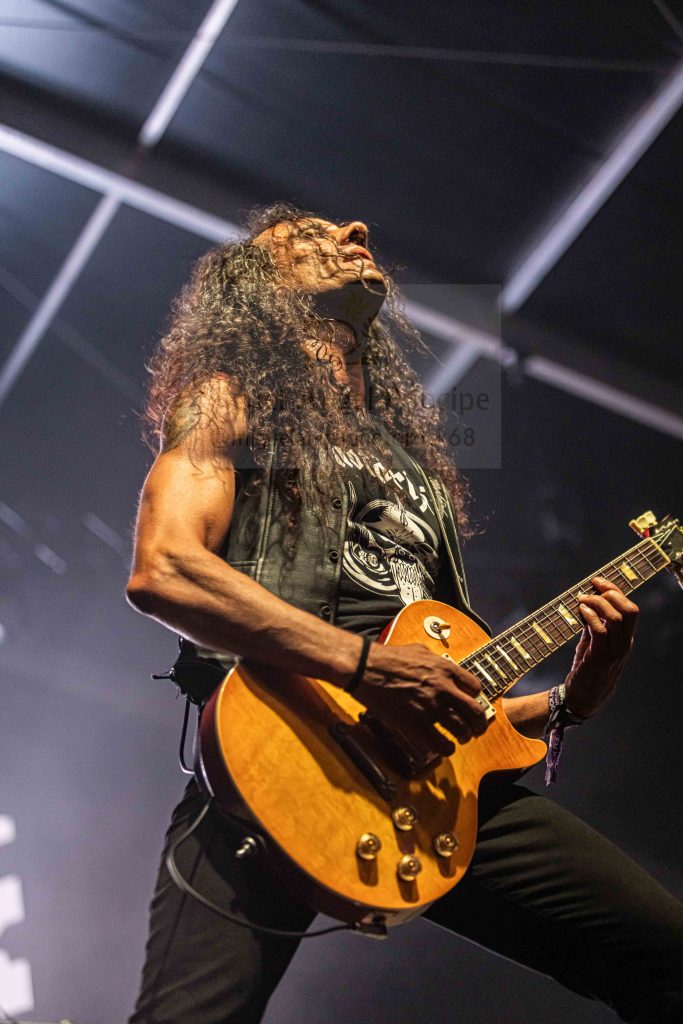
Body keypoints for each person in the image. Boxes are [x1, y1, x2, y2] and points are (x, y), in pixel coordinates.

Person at [124, 204, 682, 1023]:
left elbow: (454, 700)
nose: (353, 230)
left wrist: (569, 700)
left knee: (664, 955)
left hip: (426, 786)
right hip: (279, 749)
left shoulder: (410, 464)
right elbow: (165, 569)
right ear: (260, 289)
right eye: (309, 236)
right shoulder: (229, 399)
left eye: (348, 230)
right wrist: (364, 667)